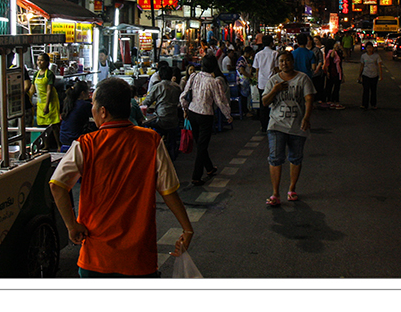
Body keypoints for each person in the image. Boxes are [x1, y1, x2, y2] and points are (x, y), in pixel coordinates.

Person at [50, 77, 194, 277]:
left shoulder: (85, 144)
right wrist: (187, 228)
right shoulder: (151, 141)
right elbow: (168, 190)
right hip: (139, 257)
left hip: (96, 255)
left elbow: (57, 185)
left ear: (103, 112)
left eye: (93, 105)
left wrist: (71, 224)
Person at [261, 51, 315, 206]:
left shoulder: (303, 79)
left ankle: (292, 189)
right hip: (276, 124)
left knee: (296, 158)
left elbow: (309, 98)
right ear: (278, 64)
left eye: (287, 60)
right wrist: (275, 90)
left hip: (297, 125)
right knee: (275, 158)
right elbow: (264, 102)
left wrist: (306, 117)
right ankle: (275, 193)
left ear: (293, 62)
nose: (284, 63)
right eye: (281, 61)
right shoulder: (273, 81)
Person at [179, 54, 232, 186]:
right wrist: (228, 115)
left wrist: (185, 109)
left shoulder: (193, 76)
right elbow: (220, 101)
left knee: (200, 143)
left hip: (192, 113)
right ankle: (196, 176)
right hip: (205, 115)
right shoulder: (214, 82)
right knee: (202, 146)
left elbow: (184, 95)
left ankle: (209, 168)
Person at [34, 53, 62, 150]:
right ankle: (46, 145)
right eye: (38, 60)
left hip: (50, 102)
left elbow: (49, 90)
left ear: (46, 62)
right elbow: (32, 89)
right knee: (42, 126)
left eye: (41, 60)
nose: (39, 62)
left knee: (53, 125)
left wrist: (47, 106)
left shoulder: (49, 74)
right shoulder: (36, 74)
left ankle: (59, 145)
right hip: (40, 102)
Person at [252, 34, 278, 132]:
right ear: (271, 43)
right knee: (274, 103)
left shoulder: (258, 54)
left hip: (262, 83)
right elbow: (276, 68)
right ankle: (273, 123)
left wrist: (257, 80)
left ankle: (264, 126)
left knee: (263, 104)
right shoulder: (275, 53)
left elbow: (257, 69)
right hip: (272, 82)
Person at [59, 80, 93, 148]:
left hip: (63, 138)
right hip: (74, 139)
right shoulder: (84, 105)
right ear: (83, 93)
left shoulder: (69, 102)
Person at [358, 41, 383, 109]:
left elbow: (379, 65)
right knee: (365, 90)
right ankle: (364, 104)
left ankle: (373, 104)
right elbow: (362, 66)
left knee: (373, 90)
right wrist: (359, 76)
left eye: (370, 48)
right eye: (368, 48)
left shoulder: (376, 56)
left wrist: (380, 75)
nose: (369, 49)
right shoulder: (363, 56)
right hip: (365, 74)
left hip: (374, 75)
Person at [324, 42, 346, 108]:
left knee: (337, 87)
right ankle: (332, 101)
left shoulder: (339, 52)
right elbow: (331, 56)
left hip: (338, 71)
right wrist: (334, 49)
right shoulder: (331, 52)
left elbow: (344, 56)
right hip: (332, 72)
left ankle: (335, 101)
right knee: (330, 86)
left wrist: (342, 48)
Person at [236, 46, 255, 117]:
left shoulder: (246, 60)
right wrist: (251, 76)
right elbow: (242, 70)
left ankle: (247, 110)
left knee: (246, 96)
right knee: (243, 97)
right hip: (242, 81)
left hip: (246, 81)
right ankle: (245, 112)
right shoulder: (241, 60)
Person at [309, 35, 326, 106]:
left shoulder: (317, 50)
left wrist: (317, 69)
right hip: (309, 72)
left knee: (317, 86)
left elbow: (320, 60)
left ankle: (318, 100)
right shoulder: (306, 51)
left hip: (316, 72)